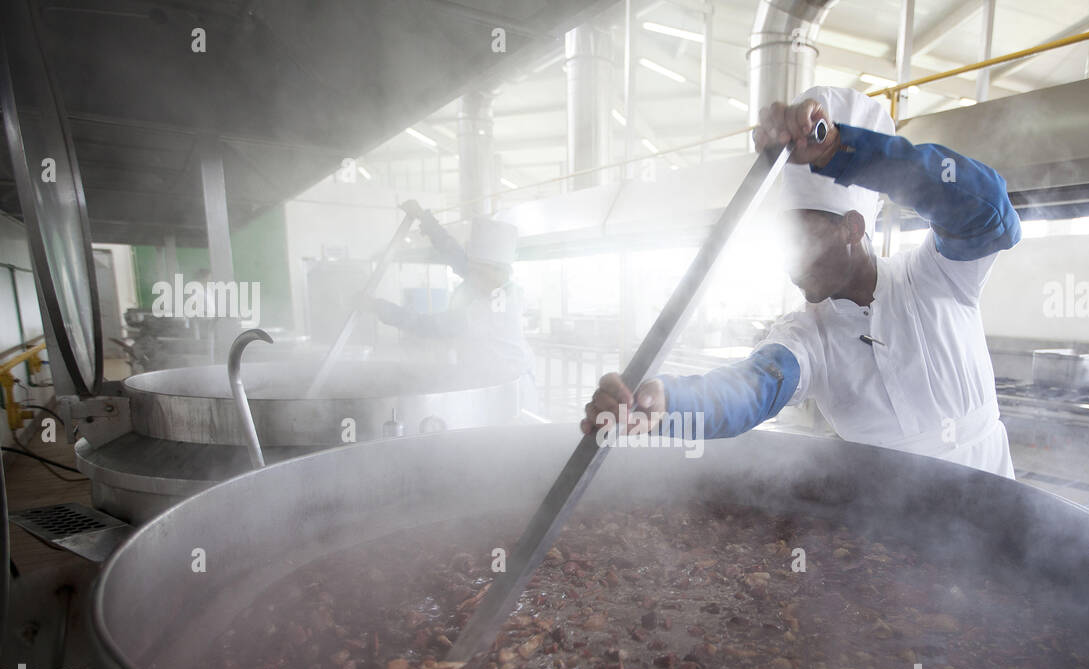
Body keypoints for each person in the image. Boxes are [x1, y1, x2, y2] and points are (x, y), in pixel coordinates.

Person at [579, 86, 1021, 478]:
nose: (792, 263)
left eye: (803, 239)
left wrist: (841, 150)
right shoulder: (809, 336)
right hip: (893, 530)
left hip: (995, 506)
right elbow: (752, 390)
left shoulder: (936, 278)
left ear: (852, 227)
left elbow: (990, 212)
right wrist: (666, 402)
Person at [362, 204, 536, 400]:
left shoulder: (491, 309)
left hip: (506, 392)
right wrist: (427, 221)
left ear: (497, 271)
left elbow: (428, 325)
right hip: (489, 383)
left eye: (478, 270)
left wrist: (378, 307)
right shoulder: (497, 286)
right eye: (473, 268)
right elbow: (457, 257)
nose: (471, 275)